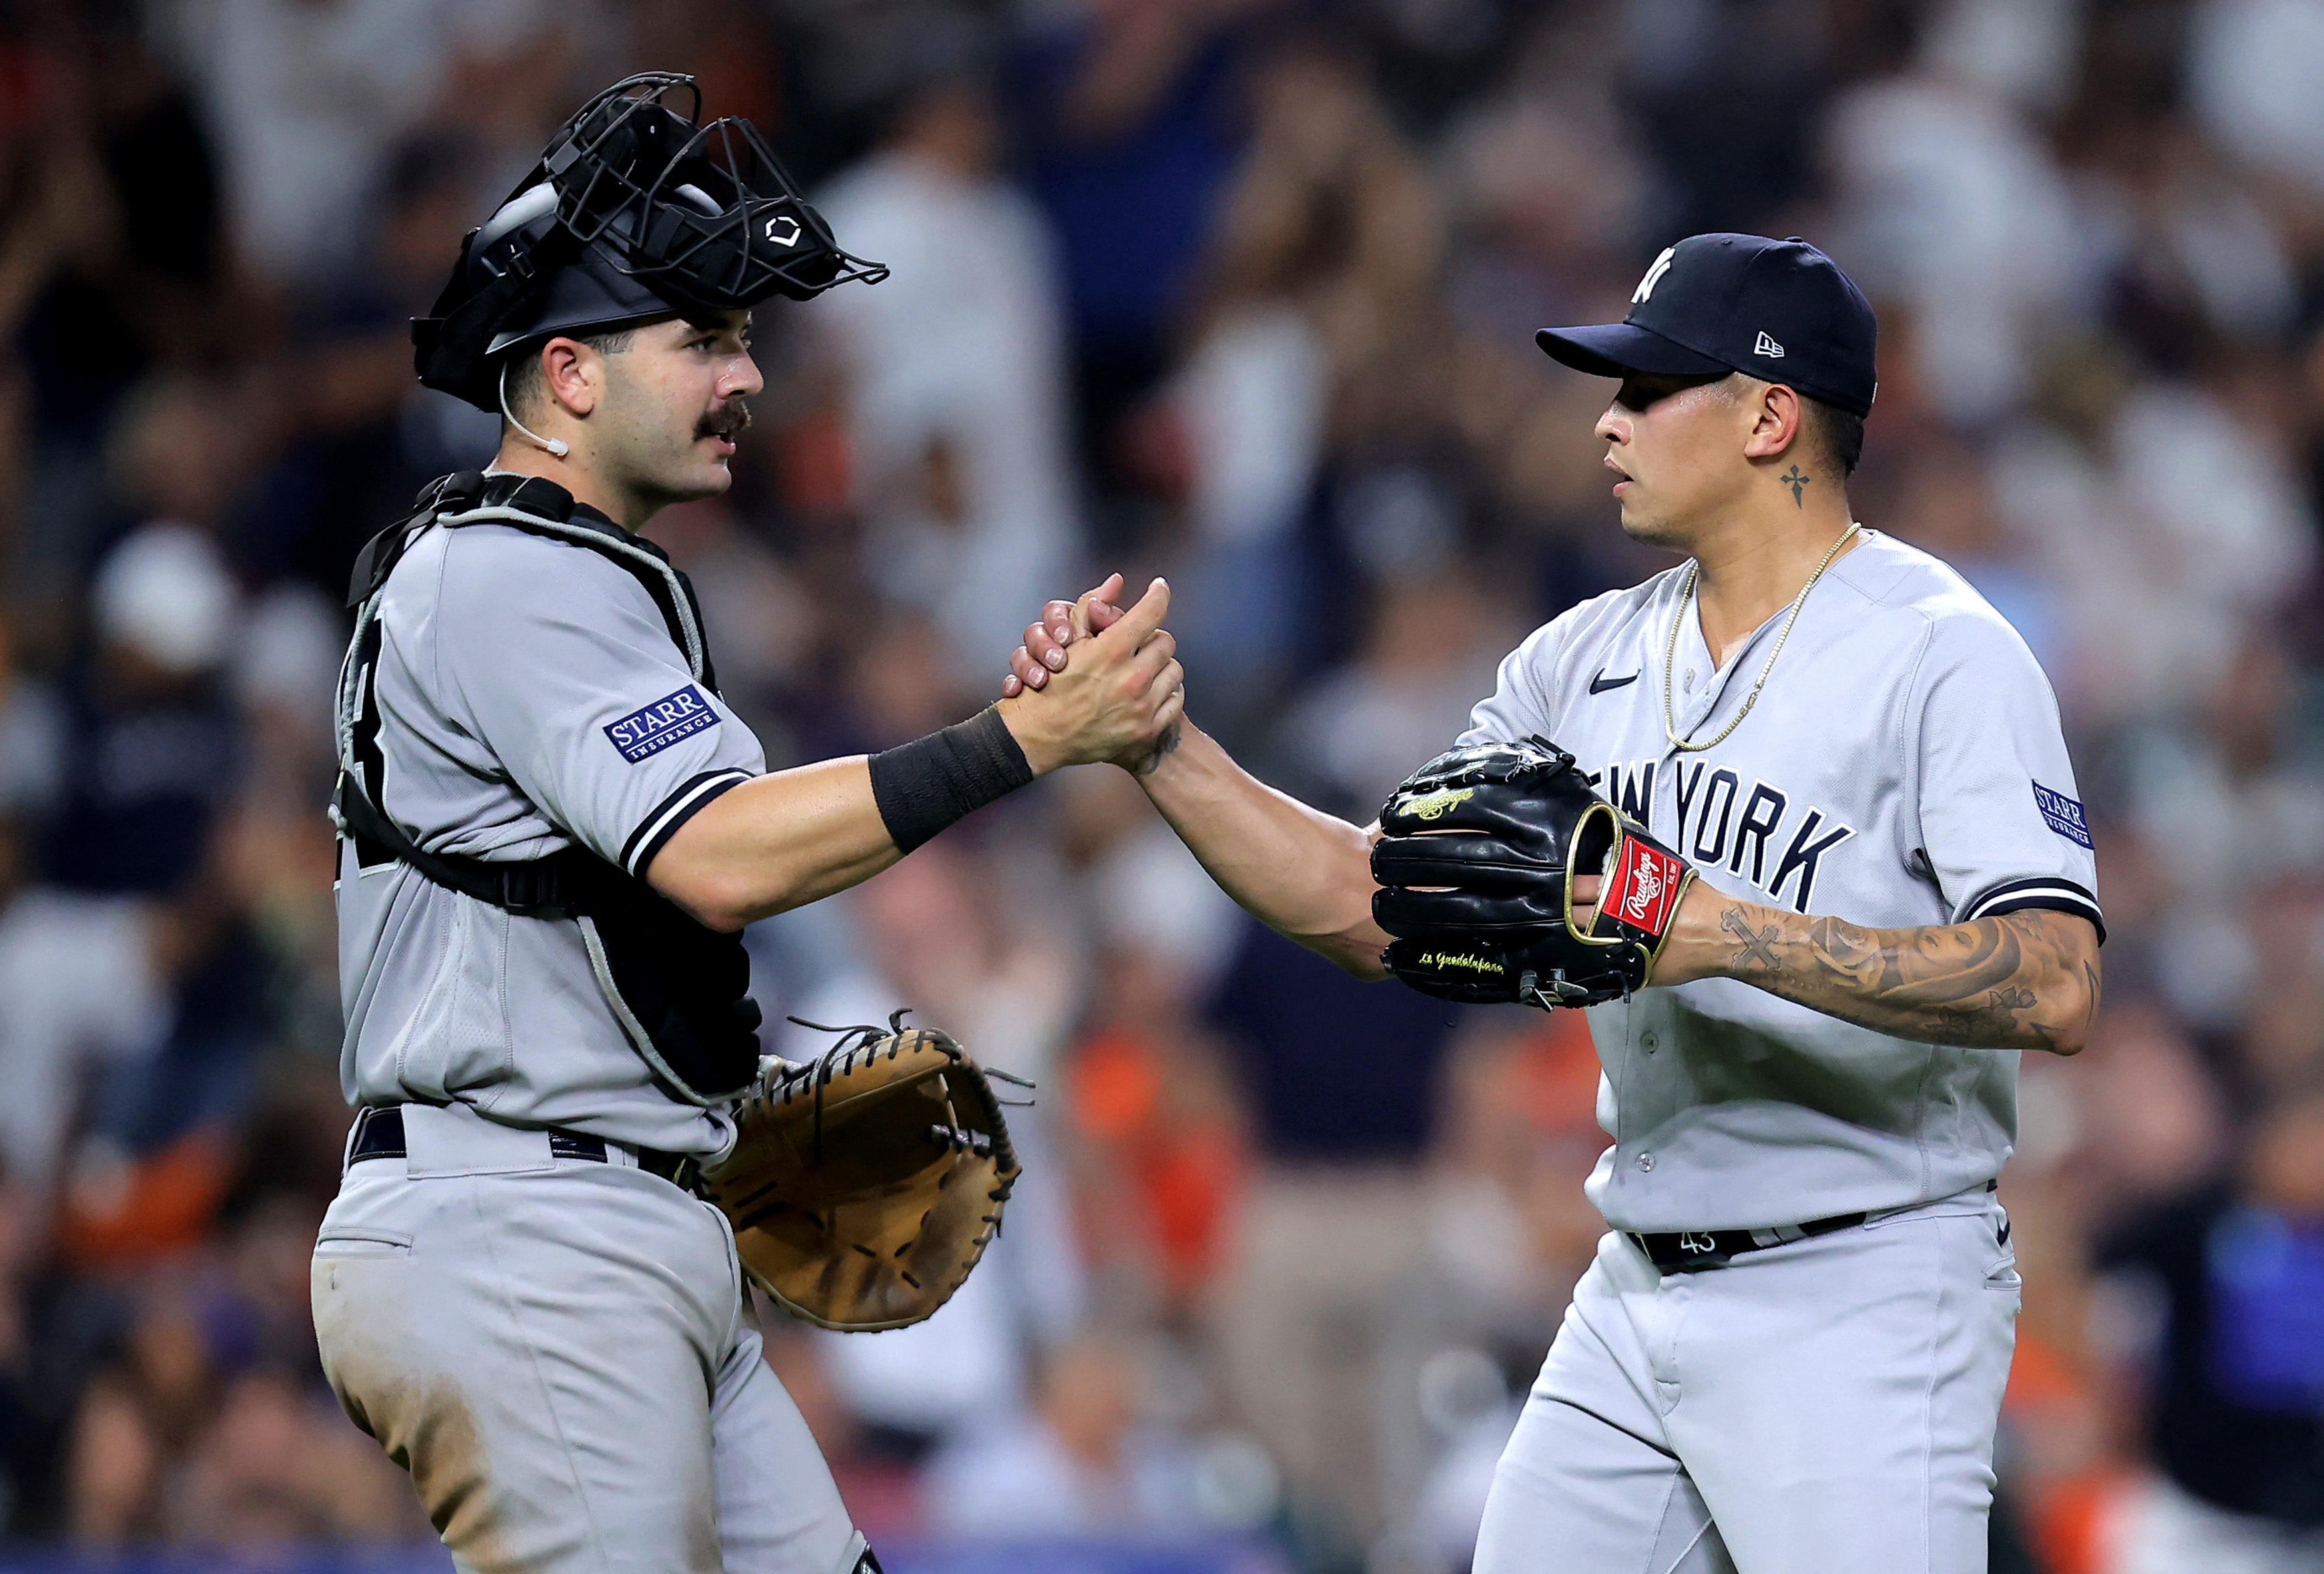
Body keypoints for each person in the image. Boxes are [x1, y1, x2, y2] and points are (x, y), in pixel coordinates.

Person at [1008, 234, 2102, 1571]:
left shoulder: (1942, 654)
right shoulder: (1576, 661)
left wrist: (1700, 928)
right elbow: (1374, 903)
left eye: (1649, 391)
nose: (1608, 418)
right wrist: (1161, 752)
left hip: (1862, 1284)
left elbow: (2050, 979)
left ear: (1769, 416)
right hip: (1635, 1276)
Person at [311, 75, 1181, 1574]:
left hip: (606, 1213)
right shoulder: (514, 572)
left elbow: (590, 933)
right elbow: (714, 857)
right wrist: (1023, 740)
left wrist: (739, 1099)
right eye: (703, 337)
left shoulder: (569, 584)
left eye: (748, 338)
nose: (745, 375)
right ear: (569, 374)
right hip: (527, 1231)